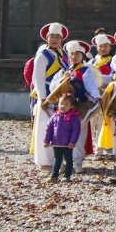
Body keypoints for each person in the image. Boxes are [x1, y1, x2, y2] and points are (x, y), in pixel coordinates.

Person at [32, 22, 69, 169]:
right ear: (46, 38)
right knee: (44, 129)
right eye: (52, 36)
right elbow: (38, 78)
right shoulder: (42, 55)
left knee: (60, 129)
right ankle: (44, 161)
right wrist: (42, 98)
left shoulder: (64, 54)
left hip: (60, 96)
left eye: (58, 37)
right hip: (46, 95)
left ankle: (57, 160)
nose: (54, 39)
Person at [62, 40, 101, 173]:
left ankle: (77, 162)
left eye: (77, 54)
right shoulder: (65, 70)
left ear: (82, 56)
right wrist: (63, 79)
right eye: (72, 54)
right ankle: (66, 161)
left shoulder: (86, 70)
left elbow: (91, 86)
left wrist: (96, 98)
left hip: (80, 106)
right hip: (66, 107)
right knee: (64, 134)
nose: (74, 57)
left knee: (78, 134)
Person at [90, 33, 116, 160]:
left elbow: (113, 76)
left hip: (107, 93)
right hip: (93, 95)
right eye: (101, 46)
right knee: (93, 122)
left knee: (105, 122)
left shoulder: (113, 61)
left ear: (110, 47)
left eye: (106, 46)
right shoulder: (92, 62)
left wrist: (98, 77)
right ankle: (96, 148)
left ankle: (107, 148)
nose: (103, 49)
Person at [44, 95, 81, 183]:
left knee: (68, 159)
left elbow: (76, 131)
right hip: (56, 143)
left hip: (67, 144)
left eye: (66, 104)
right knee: (57, 159)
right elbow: (49, 129)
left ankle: (67, 176)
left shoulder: (73, 118)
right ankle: (54, 175)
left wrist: (73, 141)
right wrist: (46, 140)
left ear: (71, 106)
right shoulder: (55, 116)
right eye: (61, 104)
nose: (62, 106)